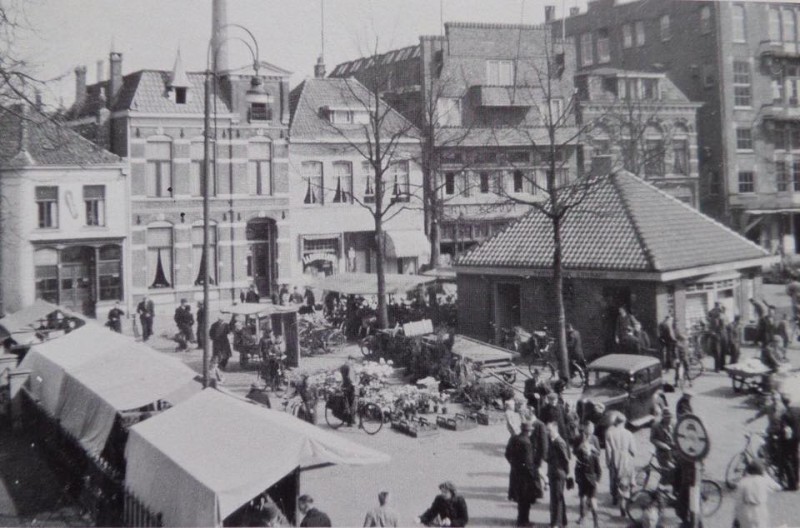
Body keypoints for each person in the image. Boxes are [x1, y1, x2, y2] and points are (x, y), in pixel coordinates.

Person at [505, 420, 539, 526]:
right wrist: (535, 476)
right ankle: (524, 521)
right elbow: (529, 463)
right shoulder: (527, 443)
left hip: (515, 473)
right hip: (525, 477)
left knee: (520, 499)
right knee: (526, 499)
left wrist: (514, 464)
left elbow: (507, 454)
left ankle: (521, 519)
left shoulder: (514, 438)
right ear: (529, 431)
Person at [733, 460, 783, 528]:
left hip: (747, 510)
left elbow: (738, 502)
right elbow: (778, 487)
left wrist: (736, 516)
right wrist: (766, 475)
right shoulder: (763, 480)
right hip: (760, 509)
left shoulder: (743, 482)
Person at [605, 412, 636, 516]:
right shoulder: (628, 433)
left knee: (614, 479)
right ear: (624, 422)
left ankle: (614, 497)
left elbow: (608, 450)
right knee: (625, 481)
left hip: (615, 457)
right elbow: (633, 451)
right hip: (625, 458)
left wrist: (609, 462)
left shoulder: (610, 433)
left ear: (615, 422)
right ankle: (623, 503)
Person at [574, 426, 602, 528]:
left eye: (586, 449)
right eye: (583, 449)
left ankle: (596, 523)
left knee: (593, 502)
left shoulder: (594, 458)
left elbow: (599, 471)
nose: (585, 451)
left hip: (592, 482)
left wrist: (597, 481)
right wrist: (577, 479)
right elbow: (576, 469)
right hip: (582, 482)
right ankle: (582, 518)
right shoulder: (580, 457)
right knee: (581, 500)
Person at [546, 419, 570, 528]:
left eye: (549, 430)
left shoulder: (559, 442)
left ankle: (556, 523)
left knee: (556, 498)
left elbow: (566, 459)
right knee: (557, 497)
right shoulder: (552, 441)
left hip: (558, 473)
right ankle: (562, 521)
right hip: (553, 472)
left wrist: (567, 473)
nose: (547, 432)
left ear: (555, 429)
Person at [779, 395, 799, 491]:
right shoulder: (798, 410)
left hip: (790, 439)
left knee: (786, 459)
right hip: (798, 438)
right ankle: (797, 480)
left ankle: (792, 484)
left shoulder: (785, 414)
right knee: (795, 458)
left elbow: (786, 430)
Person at [650, 408, 675, 485]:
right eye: (667, 417)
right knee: (667, 471)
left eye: (670, 417)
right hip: (662, 453)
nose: (669, 419)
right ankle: (661, 487)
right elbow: (652, 439)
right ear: (663, 417)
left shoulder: (673, 425)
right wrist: (663, 445)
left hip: (674, 452)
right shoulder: (656, 426)